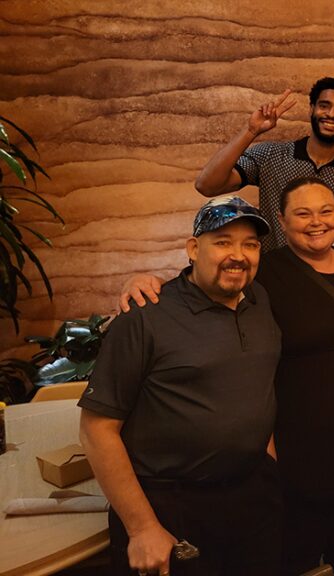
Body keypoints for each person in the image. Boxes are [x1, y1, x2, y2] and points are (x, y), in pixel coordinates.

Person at [119, 179, 334, 575]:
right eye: (302, 213)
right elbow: (206, 281)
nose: (316, 221)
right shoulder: (265, 272)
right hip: (306, 464)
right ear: (282, 222)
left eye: (325, 211)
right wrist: (144, 283)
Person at [81, 196, 282, 575]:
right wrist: (141, 528)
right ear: (193, 249)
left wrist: (266, 464)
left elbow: (259, 385)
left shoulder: (259, 300)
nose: (237, 255)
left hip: (252, 501)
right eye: (222, 241)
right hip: (171, 508)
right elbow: (96, 430)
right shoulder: (145, 316)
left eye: (250, 244)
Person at [195, 76, 334, 251]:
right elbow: (207, 185)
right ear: (312, 109)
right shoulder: (270, 155)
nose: (331, 114)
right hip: (270, 271)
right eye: (324, 106)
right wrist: (251, 131)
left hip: (329, 272)